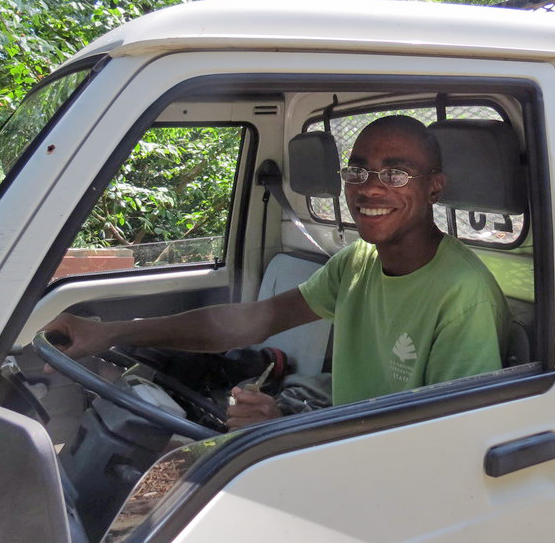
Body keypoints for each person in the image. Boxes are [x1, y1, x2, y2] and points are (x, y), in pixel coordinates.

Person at [43, 115, 509, 429]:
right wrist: (108, 333)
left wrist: (284, 430)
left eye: (396, 174)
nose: (370, 189)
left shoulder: (462, 295)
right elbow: (253, 322)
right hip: (342, 445)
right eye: (359, 172)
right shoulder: (356, 263)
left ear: (435, 188)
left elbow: (446, 443)